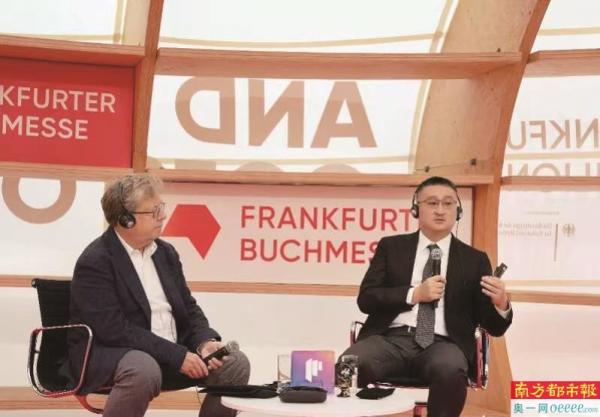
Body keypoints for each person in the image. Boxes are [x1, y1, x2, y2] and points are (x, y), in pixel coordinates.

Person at [67, 174, 250, 417]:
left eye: (161, 208)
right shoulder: (96, 260)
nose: (162, 216)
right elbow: (113, 329)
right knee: (143, 368)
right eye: (154, 211)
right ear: (126, 220)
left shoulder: (166, 253)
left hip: (168, 353)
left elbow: (188, 308)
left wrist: (204, 342)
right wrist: (176, 355)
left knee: (235, 363)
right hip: (113, 354)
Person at [340, 176, 512, 417]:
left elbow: (494, 327)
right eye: (432, 203)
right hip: (389, 340)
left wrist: (501, 304)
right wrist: (414, 294)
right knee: (350, 363)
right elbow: (367, 299)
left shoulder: (475, 259)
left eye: (448, 203)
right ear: (415, 209)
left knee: (450, 369)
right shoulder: (391, 247)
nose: (440, 210)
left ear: (458, 211)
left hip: (444, 344)